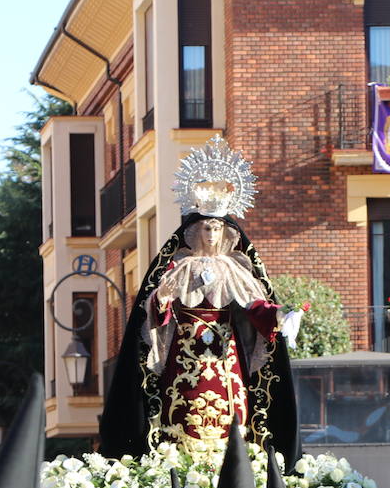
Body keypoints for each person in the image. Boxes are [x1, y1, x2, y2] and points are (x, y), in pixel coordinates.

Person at [100, 135, 302, 465]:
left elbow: (255, 307)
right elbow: (155, 311)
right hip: (185, 350)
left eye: (216, 229)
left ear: (226, 234)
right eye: (206, 228)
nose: (210, 234)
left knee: (230, 407)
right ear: (195, 232)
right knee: (183, 405)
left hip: (225, 354)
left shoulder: (236, 267)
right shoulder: (180, 266)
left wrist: (281, 317)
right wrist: (161, 303)